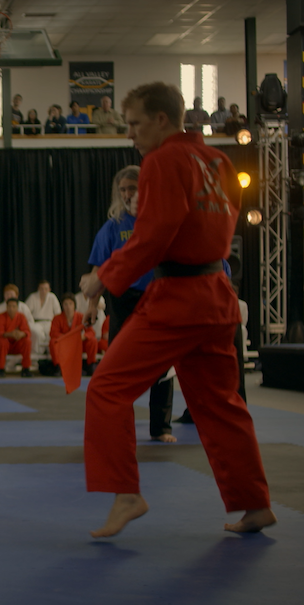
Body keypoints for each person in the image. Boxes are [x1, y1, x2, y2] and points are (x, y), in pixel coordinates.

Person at [79, 81, 274, 538]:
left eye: (134, 124)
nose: (130, 133)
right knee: (221, 405)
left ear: (161, 120)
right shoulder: (219, 161)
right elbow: (219, 227)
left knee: (106, 389)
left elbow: (153, 235)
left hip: (178, 299)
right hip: (216, 293)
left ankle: (126, 492)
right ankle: (255, 503)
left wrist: (102, 277)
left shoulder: (162, 161)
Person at [86, 164, 178, 444]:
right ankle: (116, 424)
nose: (127, 194)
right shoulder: (113, 226)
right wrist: (91, 305)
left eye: (132, 188)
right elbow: (97, 269)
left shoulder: (159, 219)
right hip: (123, 299)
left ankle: (160, 427)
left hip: (158, 296)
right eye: (123, 190)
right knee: (118, 362)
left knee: (163, 364)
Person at [49, 292, 98, 375]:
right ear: (62, 306)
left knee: (92, 340)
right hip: (64, 344)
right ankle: (58, 367)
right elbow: (53, 333)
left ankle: (91, 365)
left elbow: (91, 332)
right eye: (65, 304)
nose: (68, 307)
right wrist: (66, 337)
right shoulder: (57, 318)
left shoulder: (81, 317)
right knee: (53, 342)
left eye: (70, 304)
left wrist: (83, 336)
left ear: (74, 305)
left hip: (78, 343)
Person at [0, 298, 32, 377]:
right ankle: (1, 369)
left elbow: (27, 331)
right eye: (9, 306)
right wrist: (11, 334)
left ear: (17, 307)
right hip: (6, 344)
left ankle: (26, 368)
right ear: (6, 307)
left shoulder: (21, 316)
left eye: (13, 306)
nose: (11, 309)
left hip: (17, 344)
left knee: (27, 341)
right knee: (1, 342)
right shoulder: (0, 316)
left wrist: (21, 334)